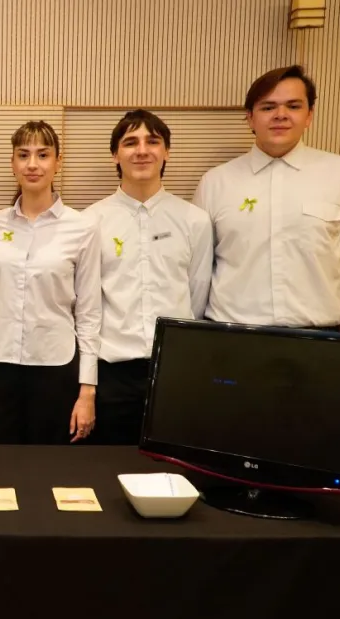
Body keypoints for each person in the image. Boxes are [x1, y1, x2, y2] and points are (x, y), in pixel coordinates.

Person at [193, 65, 340, 330]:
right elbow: (201, 264)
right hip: (233, 334)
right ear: (250, 118)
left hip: (317, 335)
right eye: (268, 107)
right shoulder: (216, 181)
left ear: (309, 115)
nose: (280, 115)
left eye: (293, 106)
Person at [82, 110, 213, 445]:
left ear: (166, 151)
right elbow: (86, 305)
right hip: (113, 374)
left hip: (174, 373)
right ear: (115, 154)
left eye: (152, 141)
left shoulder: (194, 220)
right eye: (130, 142)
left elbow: (197, 297)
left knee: (173, 474)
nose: (142, 150)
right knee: (106, 472)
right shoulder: (90, 221)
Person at [0, 120, 101, 445]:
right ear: (13, 163)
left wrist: (86, 391)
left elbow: (88, 313)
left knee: (48, 469)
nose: (33, 164)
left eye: (43, 155)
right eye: (23, 154)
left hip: (54, 367)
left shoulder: (82, 227)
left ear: (58, 162)